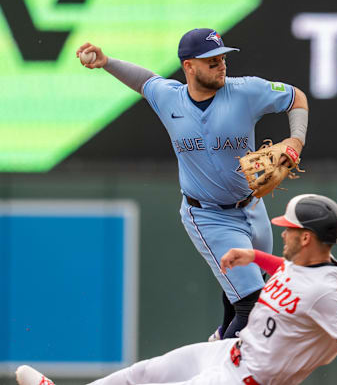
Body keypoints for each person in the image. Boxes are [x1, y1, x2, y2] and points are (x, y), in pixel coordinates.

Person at [76, 28, 309, 340]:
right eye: (211, 61)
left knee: (250, 289)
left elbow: (296, 98)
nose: (221, 65)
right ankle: (222, 368)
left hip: (253, 207)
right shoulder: (169, 98)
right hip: (209, 216)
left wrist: (296, 140)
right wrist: (106, 62)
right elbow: (145, 82)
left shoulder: (246, 91)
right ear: (189, 66)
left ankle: (220, 339)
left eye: (222, 58)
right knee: (255, 304)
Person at [15, 194, 337, 385]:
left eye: (288, 228)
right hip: (231, 353)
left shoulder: (329, 294)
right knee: (140, 374)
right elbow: (290, 273)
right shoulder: (306, 266)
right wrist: (254, 255)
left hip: (243, 379)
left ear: (306, 237)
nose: (281, 232)